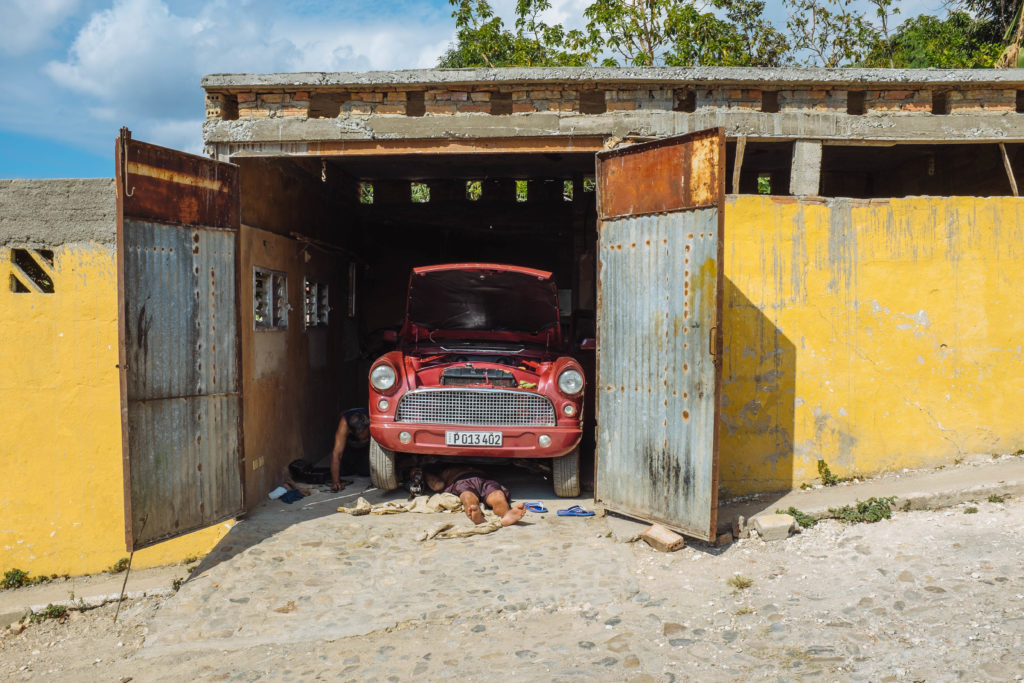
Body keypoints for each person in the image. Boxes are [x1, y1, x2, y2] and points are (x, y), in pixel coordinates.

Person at [423, 465, 526, 526]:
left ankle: (506, 515)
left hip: (484, 480)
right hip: (461, 481)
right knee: (468, 497)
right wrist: (425, 475)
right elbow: (437, 484)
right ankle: (478, 518)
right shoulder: (441, 470)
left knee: (498, 495)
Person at [330, 408, 371, 491]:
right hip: (350, 446)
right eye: (361, 434)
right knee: (343, 471)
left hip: (368, 448)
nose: (364, 436)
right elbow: (336, 453)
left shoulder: (372, 418)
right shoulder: (344, 424)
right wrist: (335, 482)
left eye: (365, 432)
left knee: (366, 472)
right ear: (351, 431)